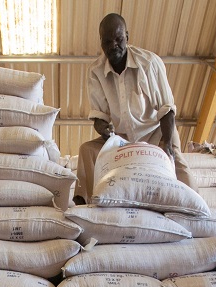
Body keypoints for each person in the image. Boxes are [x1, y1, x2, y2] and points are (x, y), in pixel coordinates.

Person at [75, 13, 191, 204]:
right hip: (122, 139)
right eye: (107, 41)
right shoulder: (95, 71)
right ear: (101, 43)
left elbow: (167, 109)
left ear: (127, 37)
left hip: (157, 132)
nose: (114, 45)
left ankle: (195, 209)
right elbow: (99, 116)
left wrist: (167, 144)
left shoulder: (149, 63)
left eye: (119, 39)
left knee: (176, 162)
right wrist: (103, 129)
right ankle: (87, 204)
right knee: (87, 150)